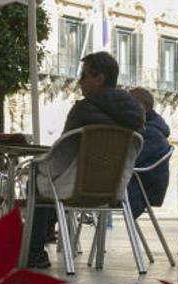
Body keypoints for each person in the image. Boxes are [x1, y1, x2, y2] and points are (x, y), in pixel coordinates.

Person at [26, 52, 145, 269]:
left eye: (83, 76)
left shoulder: (82, 110)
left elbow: (60, 158)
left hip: (75, 188)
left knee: (37, 176)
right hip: (114, 190)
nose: (79, 81)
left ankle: (34, 251)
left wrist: (39, 165)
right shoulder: (135, 120)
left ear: (99, 78)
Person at [126, 87, 171, 220]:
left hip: (139, 193)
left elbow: (130, 161)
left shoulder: (151, 133)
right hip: (135, 187)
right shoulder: (147, 129)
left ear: (142, 107)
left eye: (127, 104)